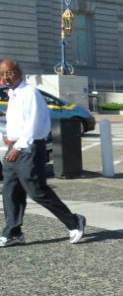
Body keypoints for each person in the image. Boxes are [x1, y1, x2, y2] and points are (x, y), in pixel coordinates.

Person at [0, 60, 85, 247]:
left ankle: (74, 221)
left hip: (27, 148)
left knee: (37, 191)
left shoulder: (30, 94)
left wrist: (18, 147)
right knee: (10, 191)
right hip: (14, 146)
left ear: (19, 72)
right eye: (2, 74)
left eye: (9, 73)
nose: (5, 78)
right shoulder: (14, 95)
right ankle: (14, 232)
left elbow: (33, 125)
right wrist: (11, 143)